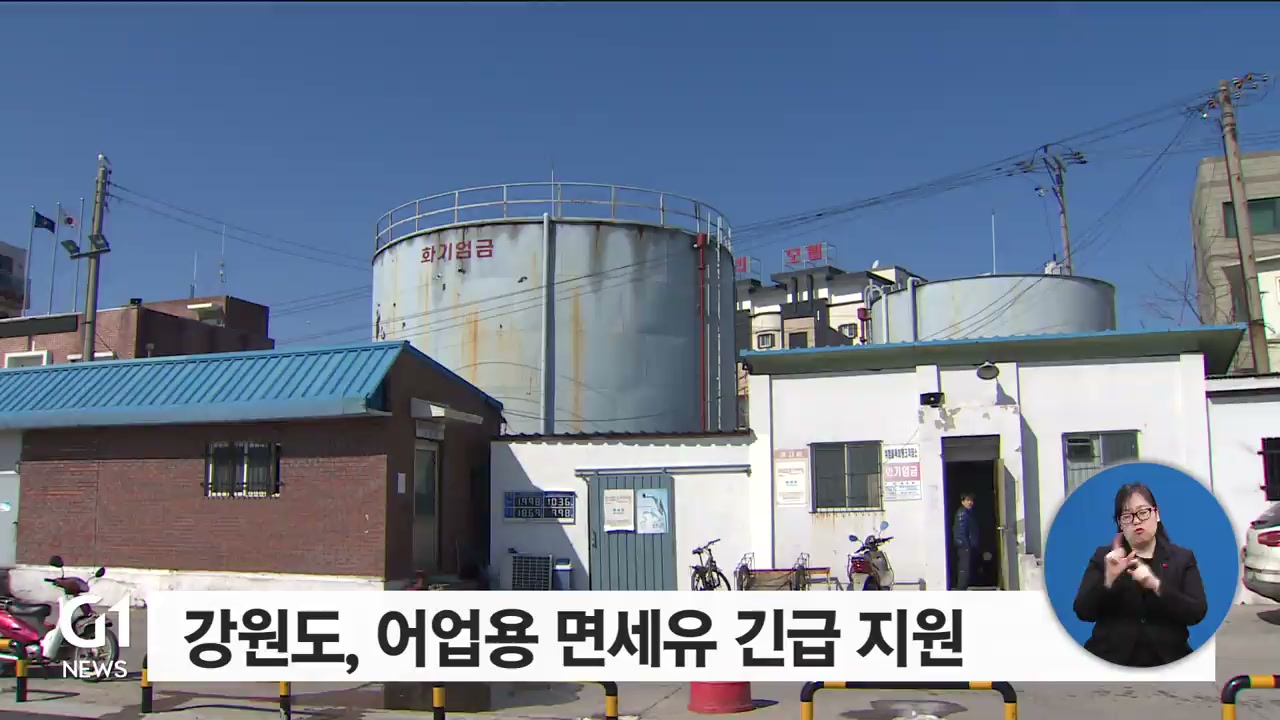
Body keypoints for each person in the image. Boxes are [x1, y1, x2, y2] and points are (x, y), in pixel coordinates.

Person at [1072, 482, 1208, 667]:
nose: (1136, 521)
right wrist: (1108, 581)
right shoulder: (1104, 557)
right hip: (1110, 661)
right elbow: (1083, 611)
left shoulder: (1182, 558)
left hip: (1169, 661)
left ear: (1156, 514)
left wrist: (1156, 586)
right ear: (1120, 524)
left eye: (1143, 512)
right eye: (1127, 516)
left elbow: (1196, 612)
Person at [952, 493, 979, 590]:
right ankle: (961, 589)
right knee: (964, 568)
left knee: (966, 567)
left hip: (967, 544)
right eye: (967, 500)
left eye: (971, 500)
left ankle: (963, 587)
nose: (970, 502)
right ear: (962, 502)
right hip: (964, 545)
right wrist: (965, 544)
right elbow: (960, 531)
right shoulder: (962, 513)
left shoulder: (969, 513)